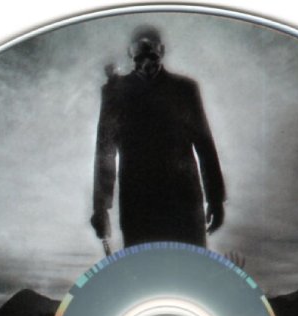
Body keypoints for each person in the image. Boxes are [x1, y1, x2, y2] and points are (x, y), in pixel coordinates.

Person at [91, 26, 226, 248]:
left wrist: (216, 199)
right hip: (138, 204)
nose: (146, 61)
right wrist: (100, 208)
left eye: (151, 53)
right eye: (140, 54)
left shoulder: (185, 89)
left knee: (188, 263)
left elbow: (204, 145)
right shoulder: (115, 92)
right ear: (130, 53)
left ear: (161, 51)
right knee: (146, 265)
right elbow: (105, 153)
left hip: (183, 202)